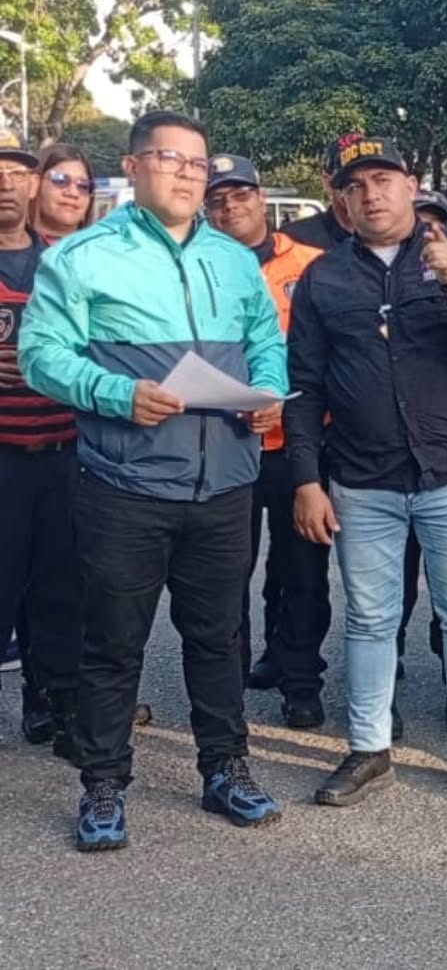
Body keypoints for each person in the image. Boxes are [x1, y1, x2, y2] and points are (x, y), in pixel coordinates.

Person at [20, 111, 289, 851]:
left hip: (227, 483)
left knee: (220, 636)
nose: (187, 174)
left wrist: (267, 390)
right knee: (113, 643)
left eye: (198, 164)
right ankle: (104, 783)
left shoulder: (233, 257)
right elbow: (41, 355)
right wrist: (117, 395)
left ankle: (225, 768)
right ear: (134, 168)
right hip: (125, 486)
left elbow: (266, 339)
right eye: (171, 159)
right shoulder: (85, 256)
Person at [286, 137, 447, 806]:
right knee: (368, 617)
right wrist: (306, 477)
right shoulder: (326, 277)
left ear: (411, 184)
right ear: (341, 197)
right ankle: (367, 747)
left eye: (383, 179)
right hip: (364, 479)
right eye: (356, 185)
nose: (371, 194)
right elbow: (304, 384)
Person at [204, 155, 331, 730]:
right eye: (218, 200)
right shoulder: (199, 266)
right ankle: (225, 689)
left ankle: (300, 679)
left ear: (261, 198)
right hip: (228, 441)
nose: (230, 208)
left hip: (301, 442)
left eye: (240, 195)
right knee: (226, 573)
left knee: (302, 570)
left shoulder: (310, 263)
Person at [0, 131, 83, 761]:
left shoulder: (66, 264)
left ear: (35, 184)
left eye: (19, 172)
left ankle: (51, 703)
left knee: (59, 591)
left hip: (62, 454)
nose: (6, 183)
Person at [281, 133, 360, 252]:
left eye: (378, 179)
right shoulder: (294, 241)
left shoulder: (391, 238)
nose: (367, 191)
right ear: (327, 183)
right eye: (349, 181)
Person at [29, 143, 97, 244]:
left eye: (83, 186)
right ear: (34, 184)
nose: (73, 193)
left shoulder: (105, 251)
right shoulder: (8, 246)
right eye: (60, 180)